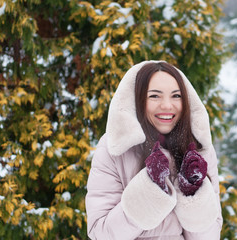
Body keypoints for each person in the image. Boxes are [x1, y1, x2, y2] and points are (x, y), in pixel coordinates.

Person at [85, 60, 223, 239]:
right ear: (138, 100)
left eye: (176, 96)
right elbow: (99, 233)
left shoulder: (200, 150)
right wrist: (150, 189)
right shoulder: (114, 149)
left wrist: (192, 192)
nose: (167, 105)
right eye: (154, 96)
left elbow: (210, 237)